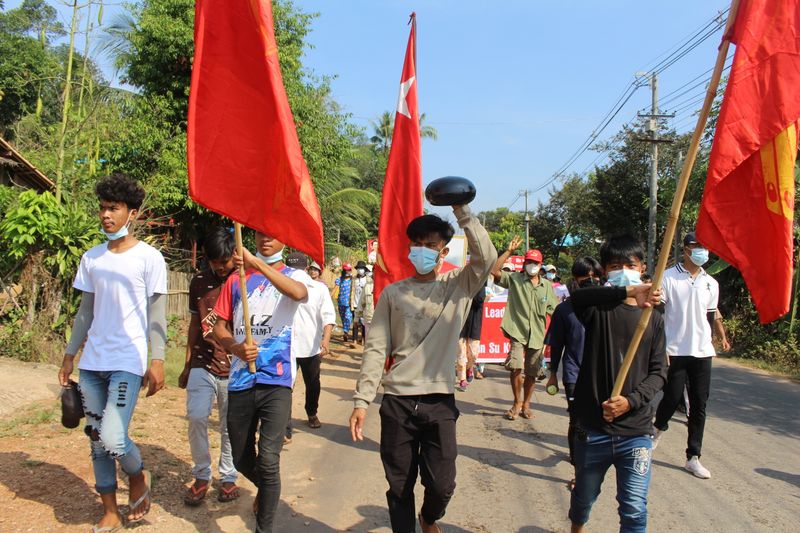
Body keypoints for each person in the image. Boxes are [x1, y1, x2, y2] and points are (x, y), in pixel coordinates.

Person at [349, 204, 496, 533]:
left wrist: (462, 210)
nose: (424, 250)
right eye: (418, 244)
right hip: (398, 402)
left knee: (442, 483)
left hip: (439, 400)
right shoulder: (392, 294)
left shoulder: (458, 285)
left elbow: (486, 258)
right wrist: (362, 400)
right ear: (409, 248)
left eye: (431, 245)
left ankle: (429, 518)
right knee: (399, 485)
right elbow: (376, 349)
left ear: (443, 251)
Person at [58, 174, 167, 531]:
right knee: (95, 439)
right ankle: (109, 510)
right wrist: (70, 354)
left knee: (113, 437)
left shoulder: (149, 258)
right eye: (103, 208)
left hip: (127, 361)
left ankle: (138, 475)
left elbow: (156, 315)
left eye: (113, 209)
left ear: (131, 213)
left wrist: (158, 359)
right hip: (92, 364)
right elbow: (85, 312)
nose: (106, 215)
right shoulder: (92, 258)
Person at [568, 234, 666, 533]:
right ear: (604, 272)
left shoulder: (654, 317)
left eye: (630, 265)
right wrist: (627, 291)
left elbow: (659, 372)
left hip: (636, 432)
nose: (623, 269)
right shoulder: (596, 309)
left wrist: (631, 401)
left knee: (634, 507)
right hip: (592, 430)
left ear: (644, 267)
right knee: (584, 498)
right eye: (615, 265)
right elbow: (576, 297)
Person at [212, 233, 311, 532]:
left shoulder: (293, 275)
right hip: (241, 380)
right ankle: (269, 491)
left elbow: (297, 294)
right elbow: (219, 326)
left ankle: (263, 527)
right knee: (242, 459)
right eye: (259, 234)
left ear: (284, 239)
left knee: (269, 460)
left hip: (276, 381)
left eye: (273, 235)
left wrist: (256, 263)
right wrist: (235, 348)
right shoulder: (236, 280)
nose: (265, 239)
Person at [653, 232, 731, 479]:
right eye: (697, 246)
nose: (702, 252)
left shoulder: (711, 283)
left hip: (702, 351)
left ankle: (693, 456)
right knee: (672, 397)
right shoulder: (668, 277)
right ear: (685, 249)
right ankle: (656, 431)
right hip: (675, 350)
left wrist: (717, 338)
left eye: (705, 247)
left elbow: (710, 315)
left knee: (699, 405)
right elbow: (657, 314)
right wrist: (658, 347)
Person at [179, 227, 240, 506]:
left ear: (234, 256)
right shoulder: (199, 282)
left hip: (233, 366)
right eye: (214, 261)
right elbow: (194, 324)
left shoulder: (244, 283)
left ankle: (228, 476)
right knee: (196, 417)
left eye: (224, 261)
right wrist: (187, 363)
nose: (219, 267)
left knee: (229, 425)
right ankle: (202, 474)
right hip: (202, 363)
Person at [545, 257, 602, 483]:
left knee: (596, 421)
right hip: (573, 373)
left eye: (595, 277)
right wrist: (552, 374)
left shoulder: (606, 307)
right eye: (585, 277)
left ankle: (591, 460)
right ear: (575, 280)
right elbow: (557, 344)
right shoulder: (564, 310)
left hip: (600, 373)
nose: (591, 281)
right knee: (577, 421)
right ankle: (578, 470)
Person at [492, 238, 558, 420]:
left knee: (532, 372)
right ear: (524, 263)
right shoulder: (514, 279)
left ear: (541, 265)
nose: (532, 265)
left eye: (535, 263)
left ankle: (526, 403)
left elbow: (555, 311)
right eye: (529, 262)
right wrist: (508, 252)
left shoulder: (547, 287)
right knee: (515, 368)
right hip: (517, 331)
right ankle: (516, 402)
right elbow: (494, 271)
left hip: (537, 335)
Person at [285, 252, 335, 438]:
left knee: (313, 384)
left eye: (298, 270)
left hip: (310, 346)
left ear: (306, 270)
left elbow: (328, 315)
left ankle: (311, 412)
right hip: (285, 347)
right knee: (284, 387)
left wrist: (326, 339)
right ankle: (284, 425)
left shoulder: (318, 289)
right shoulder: (278, 286)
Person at [456, 282, 486, 390]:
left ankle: (470, 367)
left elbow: (480, 299)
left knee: (473, 353)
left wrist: (470, 295)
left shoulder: (481, 282)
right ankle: (462, 379)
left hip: (475, 321)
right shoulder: (461, 282)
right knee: (461, 352)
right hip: (461, 322)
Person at [335, 263, 355, 344]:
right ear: (344, 271)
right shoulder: (339, 280)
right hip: (340, 302)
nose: (348, 271)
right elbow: (335, 289)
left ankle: (345, 332)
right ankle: (345, 331)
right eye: (347, 270)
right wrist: (329, 296)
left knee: (348, 317)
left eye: (349, 270)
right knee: (343, 319)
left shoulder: (353, 280)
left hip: (349, 303)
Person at [356, 264, 375, 342]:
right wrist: (356, 318)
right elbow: (361, 303)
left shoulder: (387, 286)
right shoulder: (367, 286)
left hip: (382, 322)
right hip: (369, 319)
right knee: (368, 343)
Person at [352, 260, 369, 343]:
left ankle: (363, 339)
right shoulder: (354, 278)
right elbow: (352, 291)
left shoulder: (368, 279)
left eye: (361, 268)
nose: (360, 270)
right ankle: (354, 339)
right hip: (355, 303)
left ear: (364, 269)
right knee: (355, 321)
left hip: (364, 304)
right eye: (358, 268)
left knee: (363, 323)